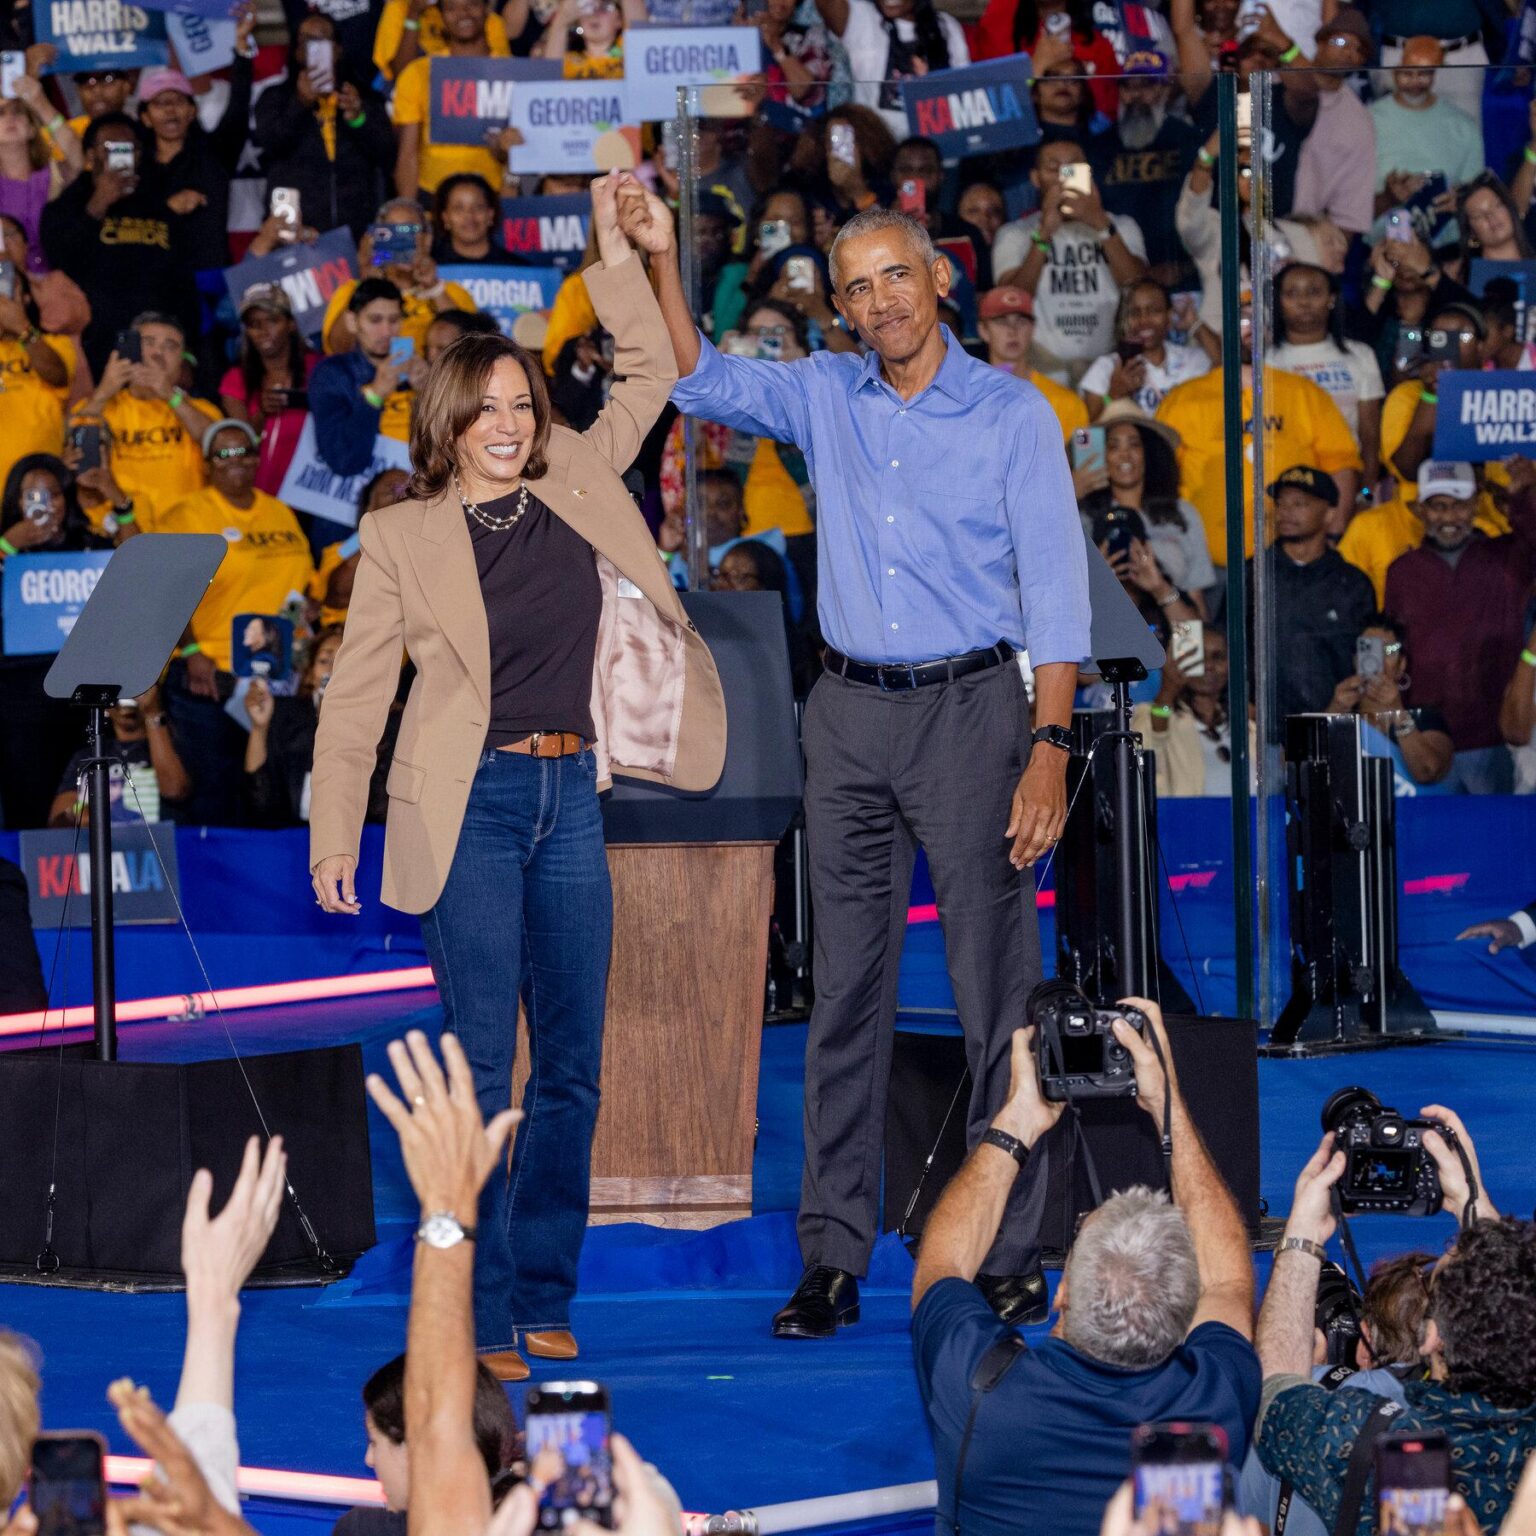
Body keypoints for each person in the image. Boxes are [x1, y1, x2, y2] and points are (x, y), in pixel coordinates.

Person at [643, 183, 1091, 1338]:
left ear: (940, 278)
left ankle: (1007, 1244)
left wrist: (1048, 747)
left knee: (998, 993)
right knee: (846, 995)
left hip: (976, 715)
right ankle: (835, 1256)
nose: (881, 300)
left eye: (898, 274)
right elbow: (694, 373)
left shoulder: (1011, 413)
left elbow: (1056, 589)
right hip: (844, 716)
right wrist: (653, 250)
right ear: (838, 311)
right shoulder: (821, 395)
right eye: (856, 287)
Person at [309, 174, 725, 1383]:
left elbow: (649, 372)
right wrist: (337, 830)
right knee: (484, 1066)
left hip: (572, 798)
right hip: (470, 810)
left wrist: (623, 252)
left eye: (520, 401)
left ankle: (545, 1289)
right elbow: (355, 699)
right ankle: (478, 1312)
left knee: (577, 1070)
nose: (506, 422)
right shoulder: (397, 538)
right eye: (483, 407)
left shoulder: (580, 478)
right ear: (444, 421)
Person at [911, 999, 1259, 1536]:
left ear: (1062, 1293)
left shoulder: (980, 1388)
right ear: (1185, 1312)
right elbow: (1231, 1281)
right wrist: (1168, 1105)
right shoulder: (1212, 1401)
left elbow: (942, 1263)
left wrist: (1016, 1125)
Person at [1253, 1118, 1535, 1536]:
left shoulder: (1361, 1440)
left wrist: (1302, 1238)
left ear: (1432, 1337)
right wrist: (1470, 1202)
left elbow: (1274, 1386)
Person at [158, 420, 315, 825]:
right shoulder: (188, 515)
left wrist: (302, 621)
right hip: (211, 679)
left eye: (243, 450)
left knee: (270, 795)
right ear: (207, 463)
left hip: (277, 678)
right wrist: (191, 651)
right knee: (217, 797)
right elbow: (165, 590)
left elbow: (303, 584)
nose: (235, 460)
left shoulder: (278, 510)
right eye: (223, 453)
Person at [1156, 301, 1361, 568]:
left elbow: (1341, 464)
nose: (1250, 329)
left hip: (1290, 565)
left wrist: (1333, 533)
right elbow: (1159, 476)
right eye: (1242, 321)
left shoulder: (1304, 393)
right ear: (1224, 328)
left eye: (1258, 320)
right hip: (1205, 565)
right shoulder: (1183, 399)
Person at [1383, 459, 1536, 794]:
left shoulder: (1510, 556)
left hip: (1497, 740)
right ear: (1420, 510)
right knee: (1435, 842)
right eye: (1438, 506)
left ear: (1476, 506)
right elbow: (1393, 640)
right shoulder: (1401, 572)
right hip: (1429, 741)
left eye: (1459, 506)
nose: (1449, 517)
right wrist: (1389, 656)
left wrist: (1522, 494)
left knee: (1498, 840)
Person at [0, 455, 115, 830]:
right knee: (28, 808)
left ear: (67, 497)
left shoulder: (89, 545)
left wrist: (124, 508)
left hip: (82, 696)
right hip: (20, 699)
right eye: (33, 494)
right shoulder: (6, 546)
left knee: (86, 811)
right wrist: (6, 546)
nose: (45, 502)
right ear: (15, 501)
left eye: (54, 493)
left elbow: (134, 569)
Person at [40, 114, 198, 377]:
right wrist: (97, 205)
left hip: (157, 346)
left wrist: (188, 353)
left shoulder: (159, 204)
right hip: (95, 344)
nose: (122, 156)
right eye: (111, 148)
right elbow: (60, 258)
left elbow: (183, 283)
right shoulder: (66, 207)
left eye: (130, 148)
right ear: (90, 156)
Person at [993, 139, 1149, 386]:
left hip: (1107, 374)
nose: (1063, 178)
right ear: (1035, 178)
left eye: (1072, 168)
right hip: (1042, 374)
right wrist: (1044, 235)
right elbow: (1011, 301)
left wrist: (1099, 223)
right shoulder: (1015, 234)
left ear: (1088, 174)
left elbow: (1140, 290)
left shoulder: (1121, 226)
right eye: (1054, 168)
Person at [338, 1349, 519, 1536]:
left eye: (374, 1442)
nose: (370, 1459)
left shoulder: (363, 1529)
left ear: (416, 1448)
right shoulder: (531, 1506)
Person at [69, 312, 220, 532]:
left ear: (181, 360)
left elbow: (218, 444)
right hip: (116, 536)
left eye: (170, 346)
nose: (158, 353)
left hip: (186, 536)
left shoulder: (202, 410)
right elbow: (72, 455)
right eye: (148, 343)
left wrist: (169, 395)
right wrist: (103, 391)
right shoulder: (101, 406)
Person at [252, 13, 396, 244]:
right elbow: (272, 143)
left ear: (338, 49)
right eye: (306, 41)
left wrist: (359, 119)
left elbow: (387, 155)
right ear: (297, 50)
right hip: (297, 234)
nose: (313, 48)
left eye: (322, 40)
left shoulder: (364, 98)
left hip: (359, 234)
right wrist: (300, 103)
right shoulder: (274, 98)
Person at [1253, 466, 1375, 724]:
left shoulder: (1352, 584)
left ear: (1330, 513)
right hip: (1266, 734)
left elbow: (1369, 659)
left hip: (1335, 728)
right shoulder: (1252, 575)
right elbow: (1228, 646)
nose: (1285, 512)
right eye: (1281, 503)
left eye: (1300, 503)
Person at [246, 626, 397, 827]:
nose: (333, 669)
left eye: (345, 660)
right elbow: (260, 803)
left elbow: (382, 812)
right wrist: (259, 728)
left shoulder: (388, 722)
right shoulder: (284, 715)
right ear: (310, 674)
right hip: (293, 842)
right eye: (324, 661)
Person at [1077, 409, 1215, 611]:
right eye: (1113, 446)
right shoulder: (1082, 517)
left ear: (1149, 453)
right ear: (1101, 456)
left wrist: (1161, 588)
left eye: (1134, 444)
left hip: (1173, 631)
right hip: (1106, 631)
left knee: (1212, 643)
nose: (1125, 454)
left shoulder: (1182, 514)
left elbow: (1197, 605)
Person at [136, 45, 254, 274]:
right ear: (145, 117)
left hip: (209, 284)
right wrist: (169, 209)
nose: (171, 110)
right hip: (155, 283)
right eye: (160, 103)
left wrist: (242, 48)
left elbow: (239, 104)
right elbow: (126, 223)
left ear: (192, 111)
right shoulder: (135, 169)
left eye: (178, 101)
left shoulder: (215, 154)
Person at [1269, 263, 1384, 497]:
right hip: (1283, 484)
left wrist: (1365, 491)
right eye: (1292, 293)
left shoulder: (1360, 355)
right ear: (1278, 303)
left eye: (1313, 292)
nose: (1303, 302)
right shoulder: (1265, 361)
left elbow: (1370, 436)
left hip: (1345, 480)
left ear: (1331, 299)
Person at [1091, 53, 1202, 291]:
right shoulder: (1098, 148)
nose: (1136, 95)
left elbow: (1209, 213)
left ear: (1164, 90)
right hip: (1116, 276)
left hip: (1183, 279)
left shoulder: (1189, 142)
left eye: (1147, 85)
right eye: (1128, 87)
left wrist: (1184, 267)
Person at [391, 0, 517, 200]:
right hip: (432, 196)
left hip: (494, 198)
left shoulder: (514, 73)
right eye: (451, 8)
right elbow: (408, 155)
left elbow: (525, 147)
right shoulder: (418, 73)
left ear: (487, 9)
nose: (463, 14)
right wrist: (411, 215)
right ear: (441, 16)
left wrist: (508, 153)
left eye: (472, 5)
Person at [320, 200, 476, 354]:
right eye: (392, 233)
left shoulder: (452, 292)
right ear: (377, 241)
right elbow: (339, 348)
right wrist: (368, 287)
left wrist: (433, 288)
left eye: (410, 231)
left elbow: (469, 351)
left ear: (427, 240)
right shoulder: (351, 291)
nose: (402, 241)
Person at [1325, 613, 1453, 795]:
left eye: (1389, 651)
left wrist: (1397, 712)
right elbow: (1291, 765)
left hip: (1413, 820)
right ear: (1355, 660)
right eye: (1369, 649)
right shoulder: (1340, 719)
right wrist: (1334, 711)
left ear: (1401, 665)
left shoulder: (1424, 718)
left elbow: (1428, 771)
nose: (1379, 661)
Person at [1369, 38, 1483, 229]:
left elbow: (1475, 195)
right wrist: (1388, 198)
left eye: (1423, 74)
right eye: (1407, 74)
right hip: (1383, 241)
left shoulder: (1464, 127)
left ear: (1435, 74)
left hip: (1446, 243)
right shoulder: (1368, 120)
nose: (1415, 82)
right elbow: (1349, 199)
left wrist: (1461, 201)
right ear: (1394, 72)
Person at [311, 278, 421, 475]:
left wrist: (433, 394)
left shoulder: (419, 368)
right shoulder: (332, 374)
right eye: (375, 320)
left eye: (394, 320)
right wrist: (374, 396)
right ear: (352, 321)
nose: (387, 331)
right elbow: (343, 461)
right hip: (363, 495)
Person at [220, 284, 319, 497]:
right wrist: (261, 415)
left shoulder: (320, 368)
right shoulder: (235, 379)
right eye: (255, 324)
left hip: (314, 490)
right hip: (265, 493)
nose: (264, 331)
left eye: (273, 321)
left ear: (291, 324)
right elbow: (239, 445)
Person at [820, 0, 969, 140]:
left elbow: (966, 95)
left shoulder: (946, 26)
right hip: (879, 152)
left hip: (938, 152)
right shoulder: (863, 18)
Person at [1133, 627, 1253, 797]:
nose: (1209, 665)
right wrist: (1168, 691)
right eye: (1198, 657)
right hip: (1188, 819)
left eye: (1217, 657)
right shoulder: (1164, 715)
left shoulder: (1247, 724)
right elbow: (1150, 740)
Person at [49, 686, 190, 827]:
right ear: (106, 708)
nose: (127, 702)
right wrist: (79, 812)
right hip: (98, 845)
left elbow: (174, 791)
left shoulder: (168, 746)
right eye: (120, 697)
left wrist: (153, 713)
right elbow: (56, 822)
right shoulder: (88, 756)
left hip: (152, 845)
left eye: (134, 694)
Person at [1078, 279, 1211, 423]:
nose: (1144, 320)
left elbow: (1226, 369)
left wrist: (1195, 324)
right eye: (1135, 313)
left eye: (1154, 311)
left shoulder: (1192, 359)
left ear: (1169, 316)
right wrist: (1113, 394)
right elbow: (1085, 433)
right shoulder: (1107, 366)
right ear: (1124, 320)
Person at [975, 286, 1086, 444]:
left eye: (1021, 321)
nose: (1012, 331)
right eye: (1001, 321)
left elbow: (1084, 461)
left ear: (1033, 328)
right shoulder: (968, 399)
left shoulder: (1067, 403)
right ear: (983, 330)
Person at [890, 137, 992, 290]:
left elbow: (983, 293)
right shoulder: (871, 233)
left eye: (925, 171)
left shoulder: (967, 234)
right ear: (893, 176)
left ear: (941, 176)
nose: (916, 178)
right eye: (906, 170)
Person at [0, 66, 82, 255]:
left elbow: (77, 157)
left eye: (18, 112)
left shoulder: (54, 175)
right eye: (1, 113)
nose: (10, 118)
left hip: (59, 276)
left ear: (31, 128)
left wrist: (40, 102)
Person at [431, 173, 526, 267]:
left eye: (478, 207)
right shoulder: (430, 270)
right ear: (445, 217)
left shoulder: (518, 270)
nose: (469, 216)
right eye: (458, 208)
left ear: (490, 215)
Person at [533, 0, 624, 76]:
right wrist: (564, 16)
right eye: (587, 8)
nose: (595, 14)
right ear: (578, 20)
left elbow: (635, 19)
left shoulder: (630, 54)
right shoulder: (568, 62)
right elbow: (549, 80)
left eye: (605, 7)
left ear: (619, 19)